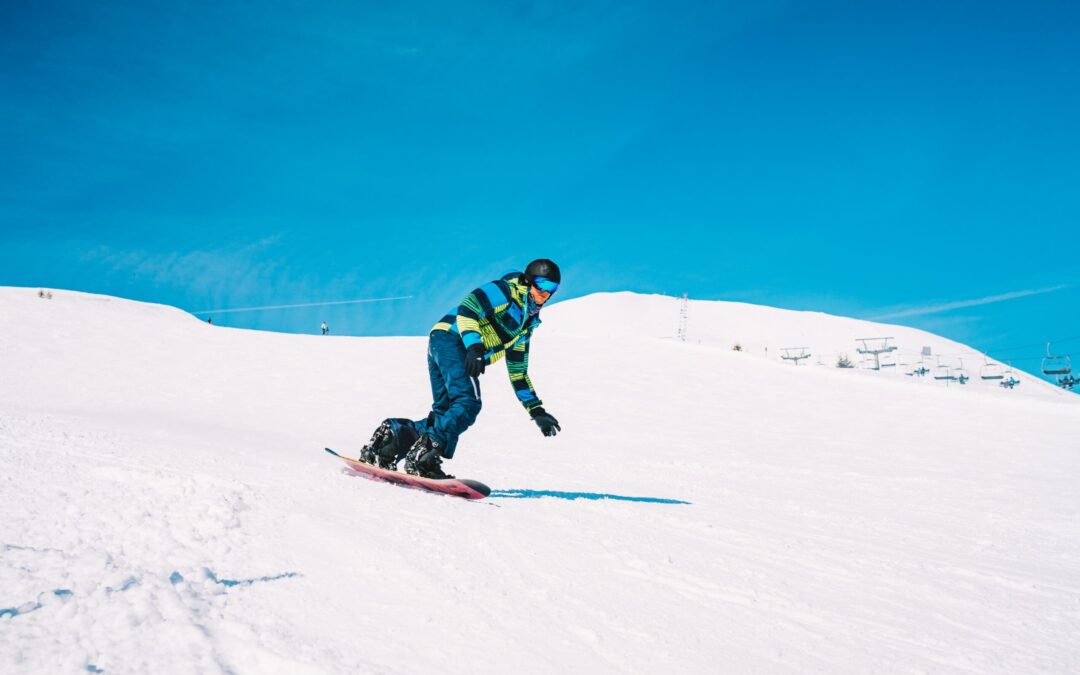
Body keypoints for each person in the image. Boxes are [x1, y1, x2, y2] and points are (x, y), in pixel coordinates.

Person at [359, 259, 563, 479]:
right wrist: (474, 346)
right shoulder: (506, 290)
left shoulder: (525, 327)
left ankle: (392, 440)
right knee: (467, 403)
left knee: (446, 412)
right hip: (453, 338)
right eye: (542, 285)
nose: (546, 294)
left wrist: (537, 411)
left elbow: (518, 373)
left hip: (443, 341)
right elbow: (470, 306)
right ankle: (423, 456)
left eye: (552, 289)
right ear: (528, 280)